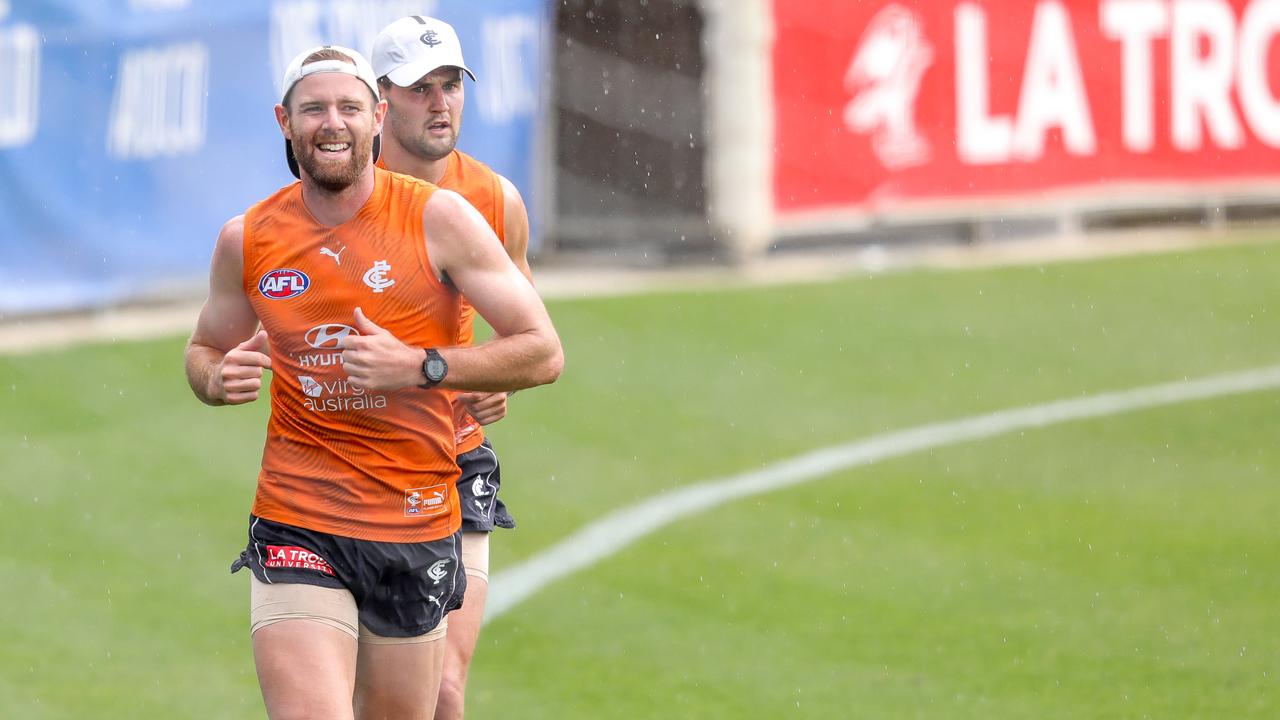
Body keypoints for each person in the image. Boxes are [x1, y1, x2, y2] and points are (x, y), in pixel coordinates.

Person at [183, 44, 562, 720]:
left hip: (414, 517)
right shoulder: (249, 238)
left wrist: (424, 367)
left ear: (377, 118)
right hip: (300, 515)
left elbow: (542, 351)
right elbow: (206, 348)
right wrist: (216, 377)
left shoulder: (438, 218)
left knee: (438, 697)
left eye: (349, 108)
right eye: (315, 109)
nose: (333, 124)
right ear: (284, 121)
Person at [370, 16, 534, 720]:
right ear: (381, 101)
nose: (440, 103)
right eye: (420, 89)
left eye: (451, 86)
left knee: (442, 694)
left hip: (455, 463)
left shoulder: (494, 200)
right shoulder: (341, 189)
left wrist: (495, 378)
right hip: (351, 471)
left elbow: (528, 340)